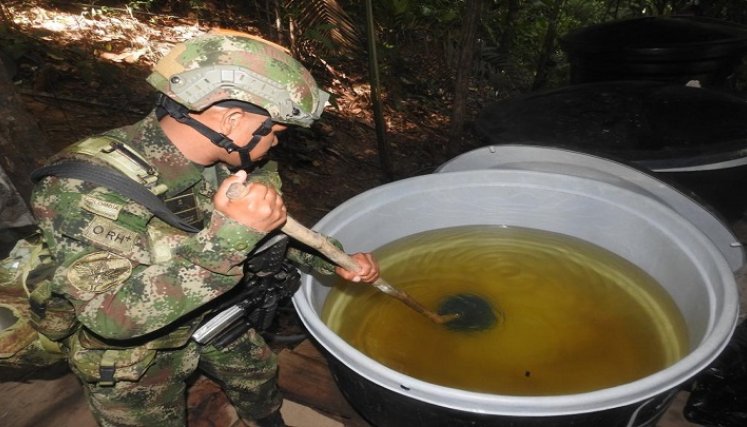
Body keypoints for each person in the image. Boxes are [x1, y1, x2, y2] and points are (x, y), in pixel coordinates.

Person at [29, 30, 379, 427]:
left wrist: (333, 261)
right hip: (138, 356)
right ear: (231, 120)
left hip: (213, 311)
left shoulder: (234, 162)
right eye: (277, 132)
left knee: (259, 379)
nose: (277, 144)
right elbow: (110, 316)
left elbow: (278, 233)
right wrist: (230, 236)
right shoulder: (86, 188)